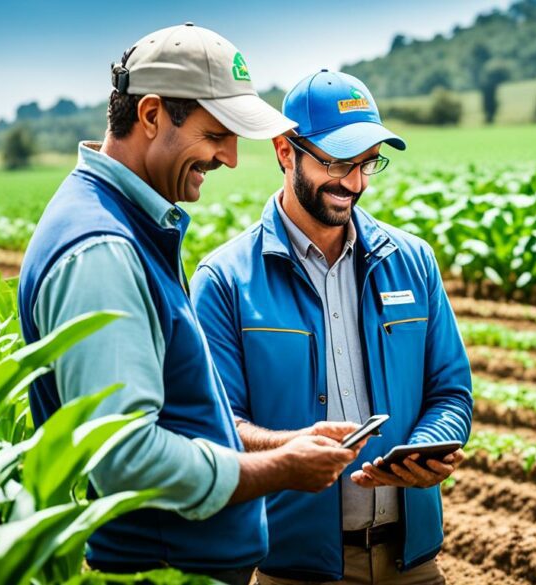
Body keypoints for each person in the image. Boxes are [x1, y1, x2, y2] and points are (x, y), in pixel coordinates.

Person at [17, 26, 364, 585]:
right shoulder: (102, 252)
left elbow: (178, 414)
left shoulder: (129, 224)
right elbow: (124, 457)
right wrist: (276, 469)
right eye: (216, 134)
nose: (229, 157)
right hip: (159, 571)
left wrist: (284, 441)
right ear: (152, 115)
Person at [190, 70, 473, 584]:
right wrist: (291, 448)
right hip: (296, 570)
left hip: (413, 565)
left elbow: (451, 391)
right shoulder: (225, 280)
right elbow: (217, 424)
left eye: (368, 163)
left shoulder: (413, 261)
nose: (356, 183)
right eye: (338, 162)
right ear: (284, 151)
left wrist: (429, 447)